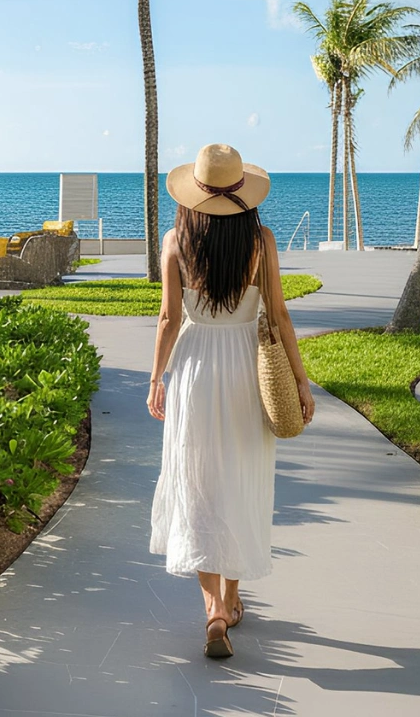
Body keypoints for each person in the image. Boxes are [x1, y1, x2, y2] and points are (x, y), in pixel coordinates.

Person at [147, 143, 315, 660]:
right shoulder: (261, 239)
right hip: (248, 366)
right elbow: (281, 316)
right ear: (241, 193)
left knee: (197, 481)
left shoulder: (176, 240)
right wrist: (302, 381)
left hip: (196, 368)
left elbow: (170, 321)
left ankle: (211, 610)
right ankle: (233, 598)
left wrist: (157, 377)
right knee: (243, 478)